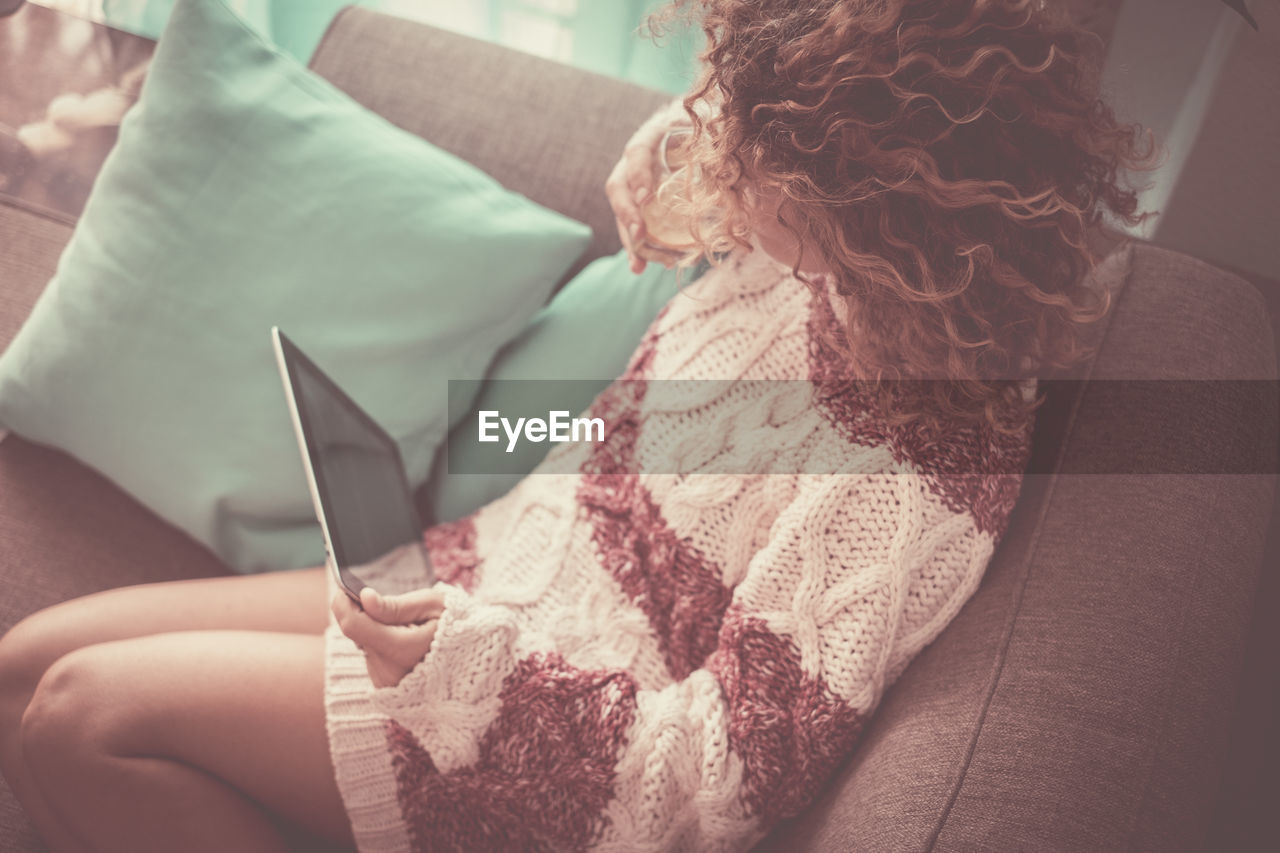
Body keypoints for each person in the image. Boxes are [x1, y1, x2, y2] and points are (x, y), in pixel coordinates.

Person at [0, 1, 1156, 851]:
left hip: (548, 746)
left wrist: (474, 676)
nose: (729, 183)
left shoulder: (912, 468)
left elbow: (711, 781)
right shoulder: (834, 263)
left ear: (865, 196)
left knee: (79, 723)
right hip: (477, 575)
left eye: (760, 169)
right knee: (21, 667)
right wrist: (689, 142)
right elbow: (711, 168)